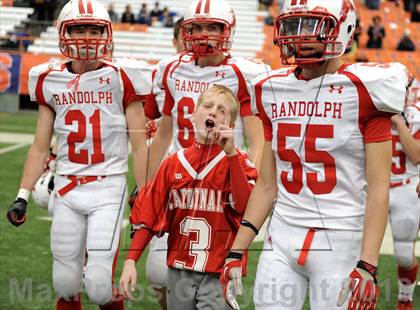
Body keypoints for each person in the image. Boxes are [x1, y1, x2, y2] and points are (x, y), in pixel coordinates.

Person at [220, 0, 410, 309]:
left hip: (341, 238)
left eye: (313, 25)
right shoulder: (270, 89)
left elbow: (378, 187)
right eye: (295, 25)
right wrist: (237, 250)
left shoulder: (365, 88)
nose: (301, 35)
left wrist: (368, 264)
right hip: (281, 235)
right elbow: (267, 186)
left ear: (343, 29)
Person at [6, 0, 152, 309]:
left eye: (93, 29)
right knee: (65, 284)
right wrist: (22, 194)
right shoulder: (49, 78)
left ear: (106, 34)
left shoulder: (122, 75)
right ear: (63, 34)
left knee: (99, 287)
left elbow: (139, 143)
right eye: (78, 29)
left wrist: (145, 189)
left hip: (107, 185)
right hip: (68, 186)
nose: (86, 37)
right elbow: (40, 145)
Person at [138, 1, 267, 305]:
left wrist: (251, 192)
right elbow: (163, 134)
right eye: (197, 27)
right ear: (187, 30)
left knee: (215, 268)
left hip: (220, 182)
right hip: (180, 181)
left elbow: (257, 139)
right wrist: (146, 187)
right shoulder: (170, 68)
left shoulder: (242, 72)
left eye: (213, 27)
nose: (204, 34)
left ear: (227, 32)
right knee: (161, 273)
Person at [119, 84, 258, 309]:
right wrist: (130, 261)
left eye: (221, 111)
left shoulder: (240, 162)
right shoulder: (173, 162)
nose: (213, 112)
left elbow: (245, 209)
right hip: (179, 269)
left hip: (218, 270)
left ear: (231, 126)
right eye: (208, 106)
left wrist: (231, 154)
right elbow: (148, 216)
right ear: (193, 115)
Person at [389, 79, 420, 310]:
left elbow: (417, 155)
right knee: (353, 249)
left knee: (403, 253)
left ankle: (404, 298)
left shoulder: (414, 116)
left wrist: (400, 124)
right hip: (371, 190)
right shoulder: (368, 113)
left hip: (405, 188)